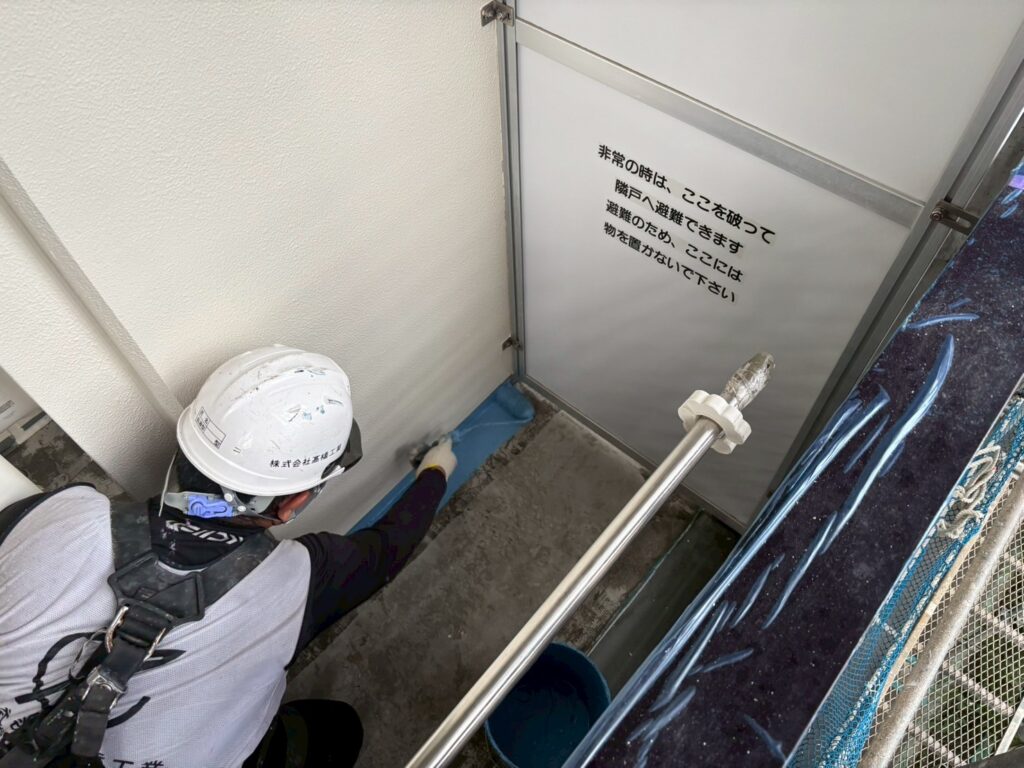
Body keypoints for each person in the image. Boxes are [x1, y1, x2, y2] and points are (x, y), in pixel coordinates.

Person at [0, 346, 457, 768]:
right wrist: (437, 469)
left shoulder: (58, 514)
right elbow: (393, 542)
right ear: (294, 502)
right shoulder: (302, 582)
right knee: (338, 729)